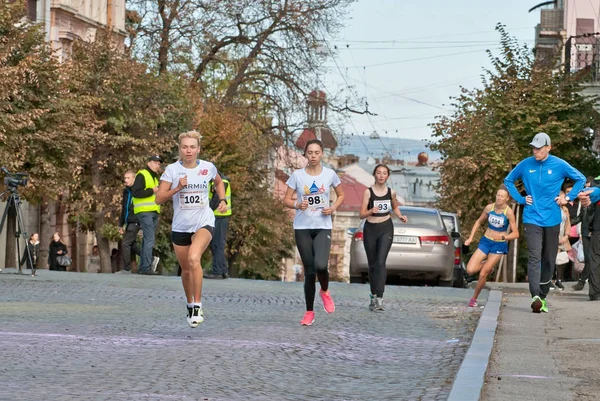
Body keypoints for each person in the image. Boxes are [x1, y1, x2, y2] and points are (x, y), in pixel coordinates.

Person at [504, 132, 585, 313]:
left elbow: (580, 178)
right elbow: (508, 180)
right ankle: (535, 296)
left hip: (552, 219)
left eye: (539, 148)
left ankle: (543, 296)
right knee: (534, 256)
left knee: (549, 259)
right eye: (533, 147)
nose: (535, 151)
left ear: (549, 147)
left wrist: (569, 197)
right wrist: (521, 199)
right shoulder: (525, 164)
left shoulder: (559, 164)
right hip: (532, 217)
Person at [156, 130, 228, 328]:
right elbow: (159, 198)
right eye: (185, 147)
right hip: (181, 225)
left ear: (198, 149)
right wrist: (177, 188)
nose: (189, 151)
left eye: (192, 147)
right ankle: (189, 304)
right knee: (186, 270)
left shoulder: (208, 167)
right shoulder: (172, 170)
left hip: (203, 221)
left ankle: (197, 305)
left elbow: (219, 182)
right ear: (180, 149)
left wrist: (222, 200)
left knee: (194, 258)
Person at [283, 139, 345, 326]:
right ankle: (309, 312)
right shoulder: (297, 175)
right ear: (305, 154)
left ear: (322, 154)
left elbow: (341, 195)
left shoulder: (329, 174)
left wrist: (333, 207)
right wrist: (296, 204)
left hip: (322, 226)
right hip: (302, 227)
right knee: (309, 271)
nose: (313, 156)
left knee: (320, 265)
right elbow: (285, 199)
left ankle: (325, 291)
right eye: (310, 152)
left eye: (317, 152)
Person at [358, 164, 407, 312]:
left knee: (380, 262)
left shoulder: (391, 192)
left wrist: (400, 216)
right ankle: (373, 295)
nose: (381, 175)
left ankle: (380, 297)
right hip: (371, 229)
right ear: (374, 175)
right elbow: (361, 214)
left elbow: (394, 206)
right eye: (378, 173)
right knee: (372, 264)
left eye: (384, 173)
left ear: (387, 176)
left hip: (386, 228)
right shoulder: (368, 192)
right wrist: (371, 211)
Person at [464, 187, 519, 307]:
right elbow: (478, 222)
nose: (499, 198)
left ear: (507, 198)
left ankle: (474, 299)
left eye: (502, 196)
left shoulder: (508, 212)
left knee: (483, 274)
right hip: (486, 241)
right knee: (470, 270)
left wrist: (503, 238)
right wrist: (470, 238)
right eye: (498, 195)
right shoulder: (489, 208)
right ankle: (486, 264)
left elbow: (516, 233)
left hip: (499, 245)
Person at [132, 155, 163, 275]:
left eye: (159, 163)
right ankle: (145, 267)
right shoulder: (142, 175)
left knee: (147, 239)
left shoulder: (154, 177)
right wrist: (152, 190)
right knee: (149, 239)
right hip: (145, 211)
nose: (157, 165)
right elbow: (136, 193)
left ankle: (144, 267)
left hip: (153, 211)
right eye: (155, 162)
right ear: (149, 163)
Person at [205, 173, 232, 279]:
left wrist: (207, 212)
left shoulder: (223, 182)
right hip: (217, 216)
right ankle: (223, 269)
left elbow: (216, 199)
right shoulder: (213, 182)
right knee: (216, 243)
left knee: (217, 244)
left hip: (220, 216)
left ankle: (217, 271)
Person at [573, 176, 594, 291]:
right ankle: (589, 282)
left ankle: (582, 281)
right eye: (585, 186)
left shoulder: (595, 200)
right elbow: (580, 217)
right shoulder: (583, 202)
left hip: (593, 233)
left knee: (592, 259)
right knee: (588, 259)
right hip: (585, 233)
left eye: (588, 186)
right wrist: (569, 223)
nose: (586, 189)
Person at [118, 170, 141, 273]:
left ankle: (126, 268)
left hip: (135, 220)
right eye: (125, 178)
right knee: (132, 245)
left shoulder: (137, 190)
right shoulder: (126, 191)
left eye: (128, 178)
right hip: (128, 222)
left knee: (125, 244)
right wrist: (120, 224)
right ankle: (152, 257)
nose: (126, 180)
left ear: (133, 179)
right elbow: (124, 208)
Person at [553, 194, 572, 290]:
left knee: (561, 259)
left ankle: (558, 279)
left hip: (562, 236)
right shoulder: (551, 208)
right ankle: (548, 280)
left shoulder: (565, 209)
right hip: (552, 236)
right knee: (551, 257)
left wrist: (566, 236)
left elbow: (568, 223)